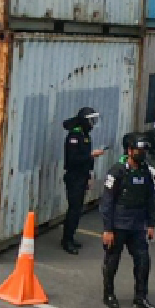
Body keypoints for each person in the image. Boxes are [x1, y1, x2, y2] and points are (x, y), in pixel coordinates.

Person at [97, 133, 155, 308]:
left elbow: (150, 197)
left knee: (143, 260)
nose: (142, 154)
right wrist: (108, 229)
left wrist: (151, 223)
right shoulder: (117, 171)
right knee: (112, 261)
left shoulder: (144, 170)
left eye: (144, 151)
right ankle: (108, 294)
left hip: (137, 225)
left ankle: (141, 297)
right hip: (118, 225)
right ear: (130, 151)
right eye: (139, 151)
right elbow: (107, 201)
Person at [59, 107, 98, 253]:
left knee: (77, 209)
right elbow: (73, 160)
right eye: (90, 120)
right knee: (74, 209)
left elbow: (85, 160)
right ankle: (66, 240)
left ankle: (71, 236)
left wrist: (89, 175)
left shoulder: (85, 135)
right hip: (74, 177)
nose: (92, 123)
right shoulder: (74, 136)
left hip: (82, 176)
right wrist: (91, 156)